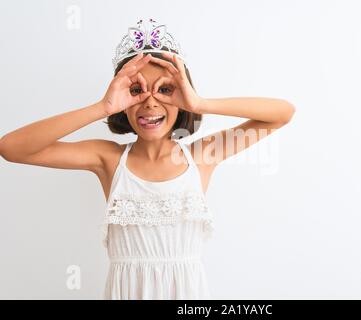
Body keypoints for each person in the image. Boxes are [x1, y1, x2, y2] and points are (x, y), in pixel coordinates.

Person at [0, 17, 296, 299]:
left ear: (182, 95)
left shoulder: (202, 156)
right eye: (136, 90)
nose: (151, 101)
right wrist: (102, 107)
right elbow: (12, 148)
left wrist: (201, 102)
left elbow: (282, 114)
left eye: (165, 90)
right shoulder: (108, 159)